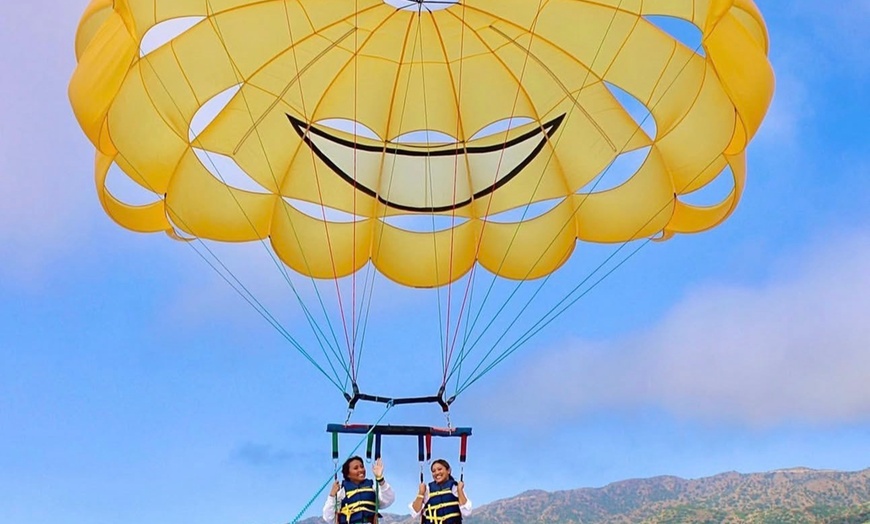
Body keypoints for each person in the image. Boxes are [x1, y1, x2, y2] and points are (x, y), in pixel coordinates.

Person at [322, 456, 395, 524]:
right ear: (348, 474)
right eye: (356, 468)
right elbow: (328, 517)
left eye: (362, 467)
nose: (361, 470)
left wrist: (380, 479)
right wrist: (332, 495)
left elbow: (388, 500)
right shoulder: (341, 491)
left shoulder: (372, 487)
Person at [409, 459, 472, 524]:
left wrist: (460, 490)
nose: (437, 473)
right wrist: (421, 493)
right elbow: (415, 513)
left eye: (440, 469)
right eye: (433, 471)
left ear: (448, 471)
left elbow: (467, 512)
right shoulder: (427, 489)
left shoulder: (455, 488)